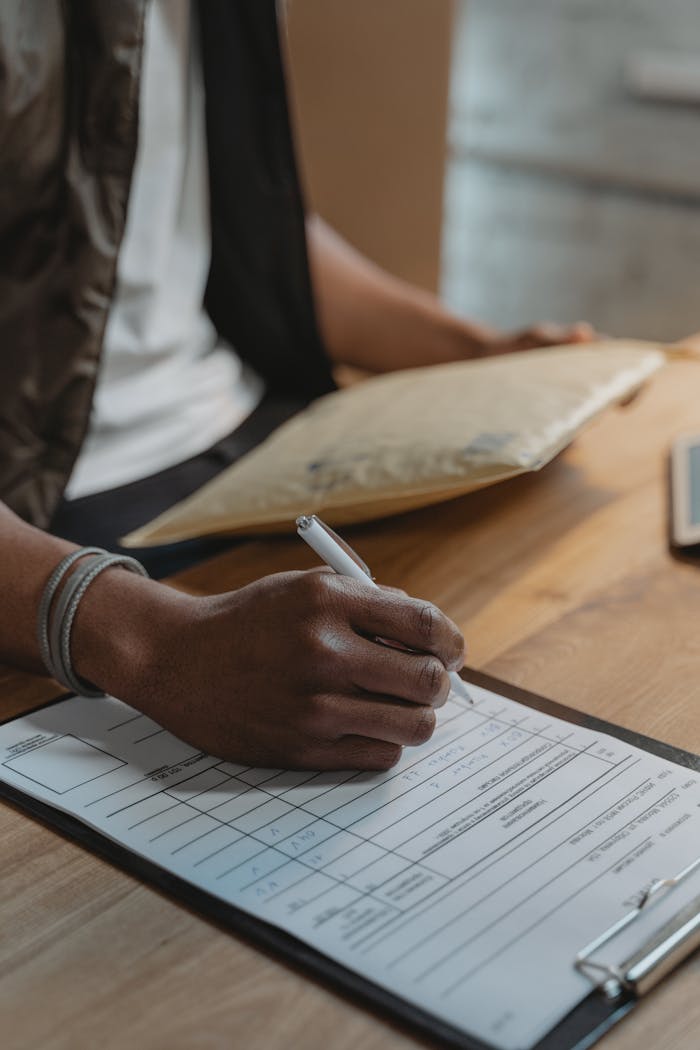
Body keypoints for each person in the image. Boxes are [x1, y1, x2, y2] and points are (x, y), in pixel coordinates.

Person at [0, 0, 594, 770]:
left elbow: (252, 230)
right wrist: (153, 644)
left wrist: (481, 351)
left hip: (260, 452)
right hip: (48, 527)